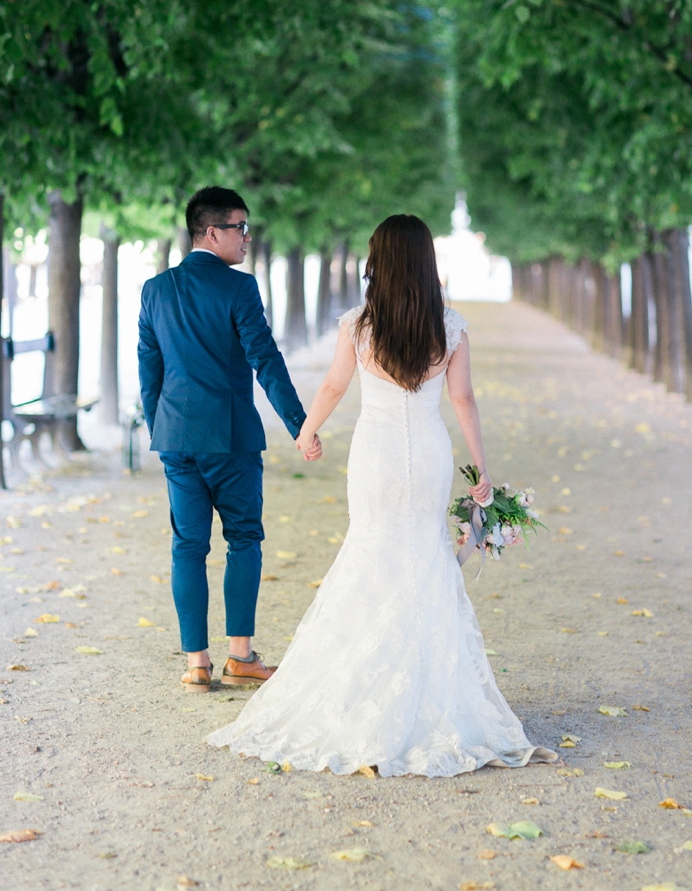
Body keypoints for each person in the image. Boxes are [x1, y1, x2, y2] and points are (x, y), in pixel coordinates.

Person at [208, 214, 556, 775]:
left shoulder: (359, 325)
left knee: (371, 553)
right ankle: (430, 694)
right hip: (430, 455)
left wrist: (307, 431)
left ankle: (362, 688)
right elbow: (463, 400)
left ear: (380, 261)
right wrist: (481, 469)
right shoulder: (450, 327)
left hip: (376, 456)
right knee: (426, 557)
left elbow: (333, 386)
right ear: (425, 262)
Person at [137, 186, 321, 693]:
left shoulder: (155, 290)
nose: (247, 237)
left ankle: (197, 664)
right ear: (212, 232)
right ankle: (240, 657)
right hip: (232, 438)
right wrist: (300, 425)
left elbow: (148, 372)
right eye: (240, 227)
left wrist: (162, 429)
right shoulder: (240, 289)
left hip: (176, 440)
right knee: (244, 540)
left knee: (187, 547)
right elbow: (266, 360)